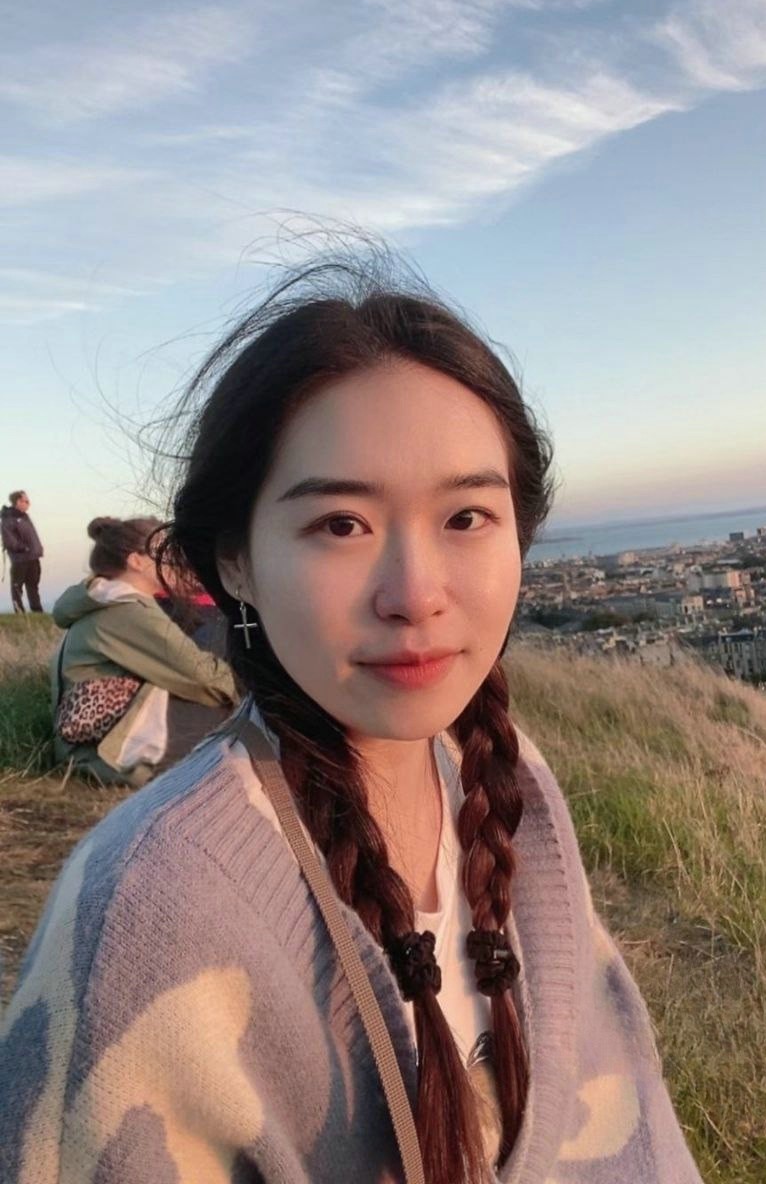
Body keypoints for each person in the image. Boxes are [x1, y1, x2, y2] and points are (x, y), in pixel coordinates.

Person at [0, 261, 703, 1184]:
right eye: (340, 524)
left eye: (467, 516)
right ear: (235, 562)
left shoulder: (508, 780)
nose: (415, 593)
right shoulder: (150, 914)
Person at [49, 515, 239, 788]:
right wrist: (255, 690)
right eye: (165, 553)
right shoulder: (127, 609)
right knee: (227, 690)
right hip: (107, 756)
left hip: (87, 747)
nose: (175, 561)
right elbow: (202, 675)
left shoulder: (107, 601)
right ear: (136, 562)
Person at [1, 489, 44, 612]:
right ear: (18, 502)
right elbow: (9, 540)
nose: (28, 503)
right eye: (26, 501)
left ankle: (37, 612)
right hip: (20, 559)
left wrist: (36, 549)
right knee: (17, 587)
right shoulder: (8, 518)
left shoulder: (25, 517)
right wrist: (23, 548)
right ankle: (19, 612)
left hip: (33, 557)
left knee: (33, 586)